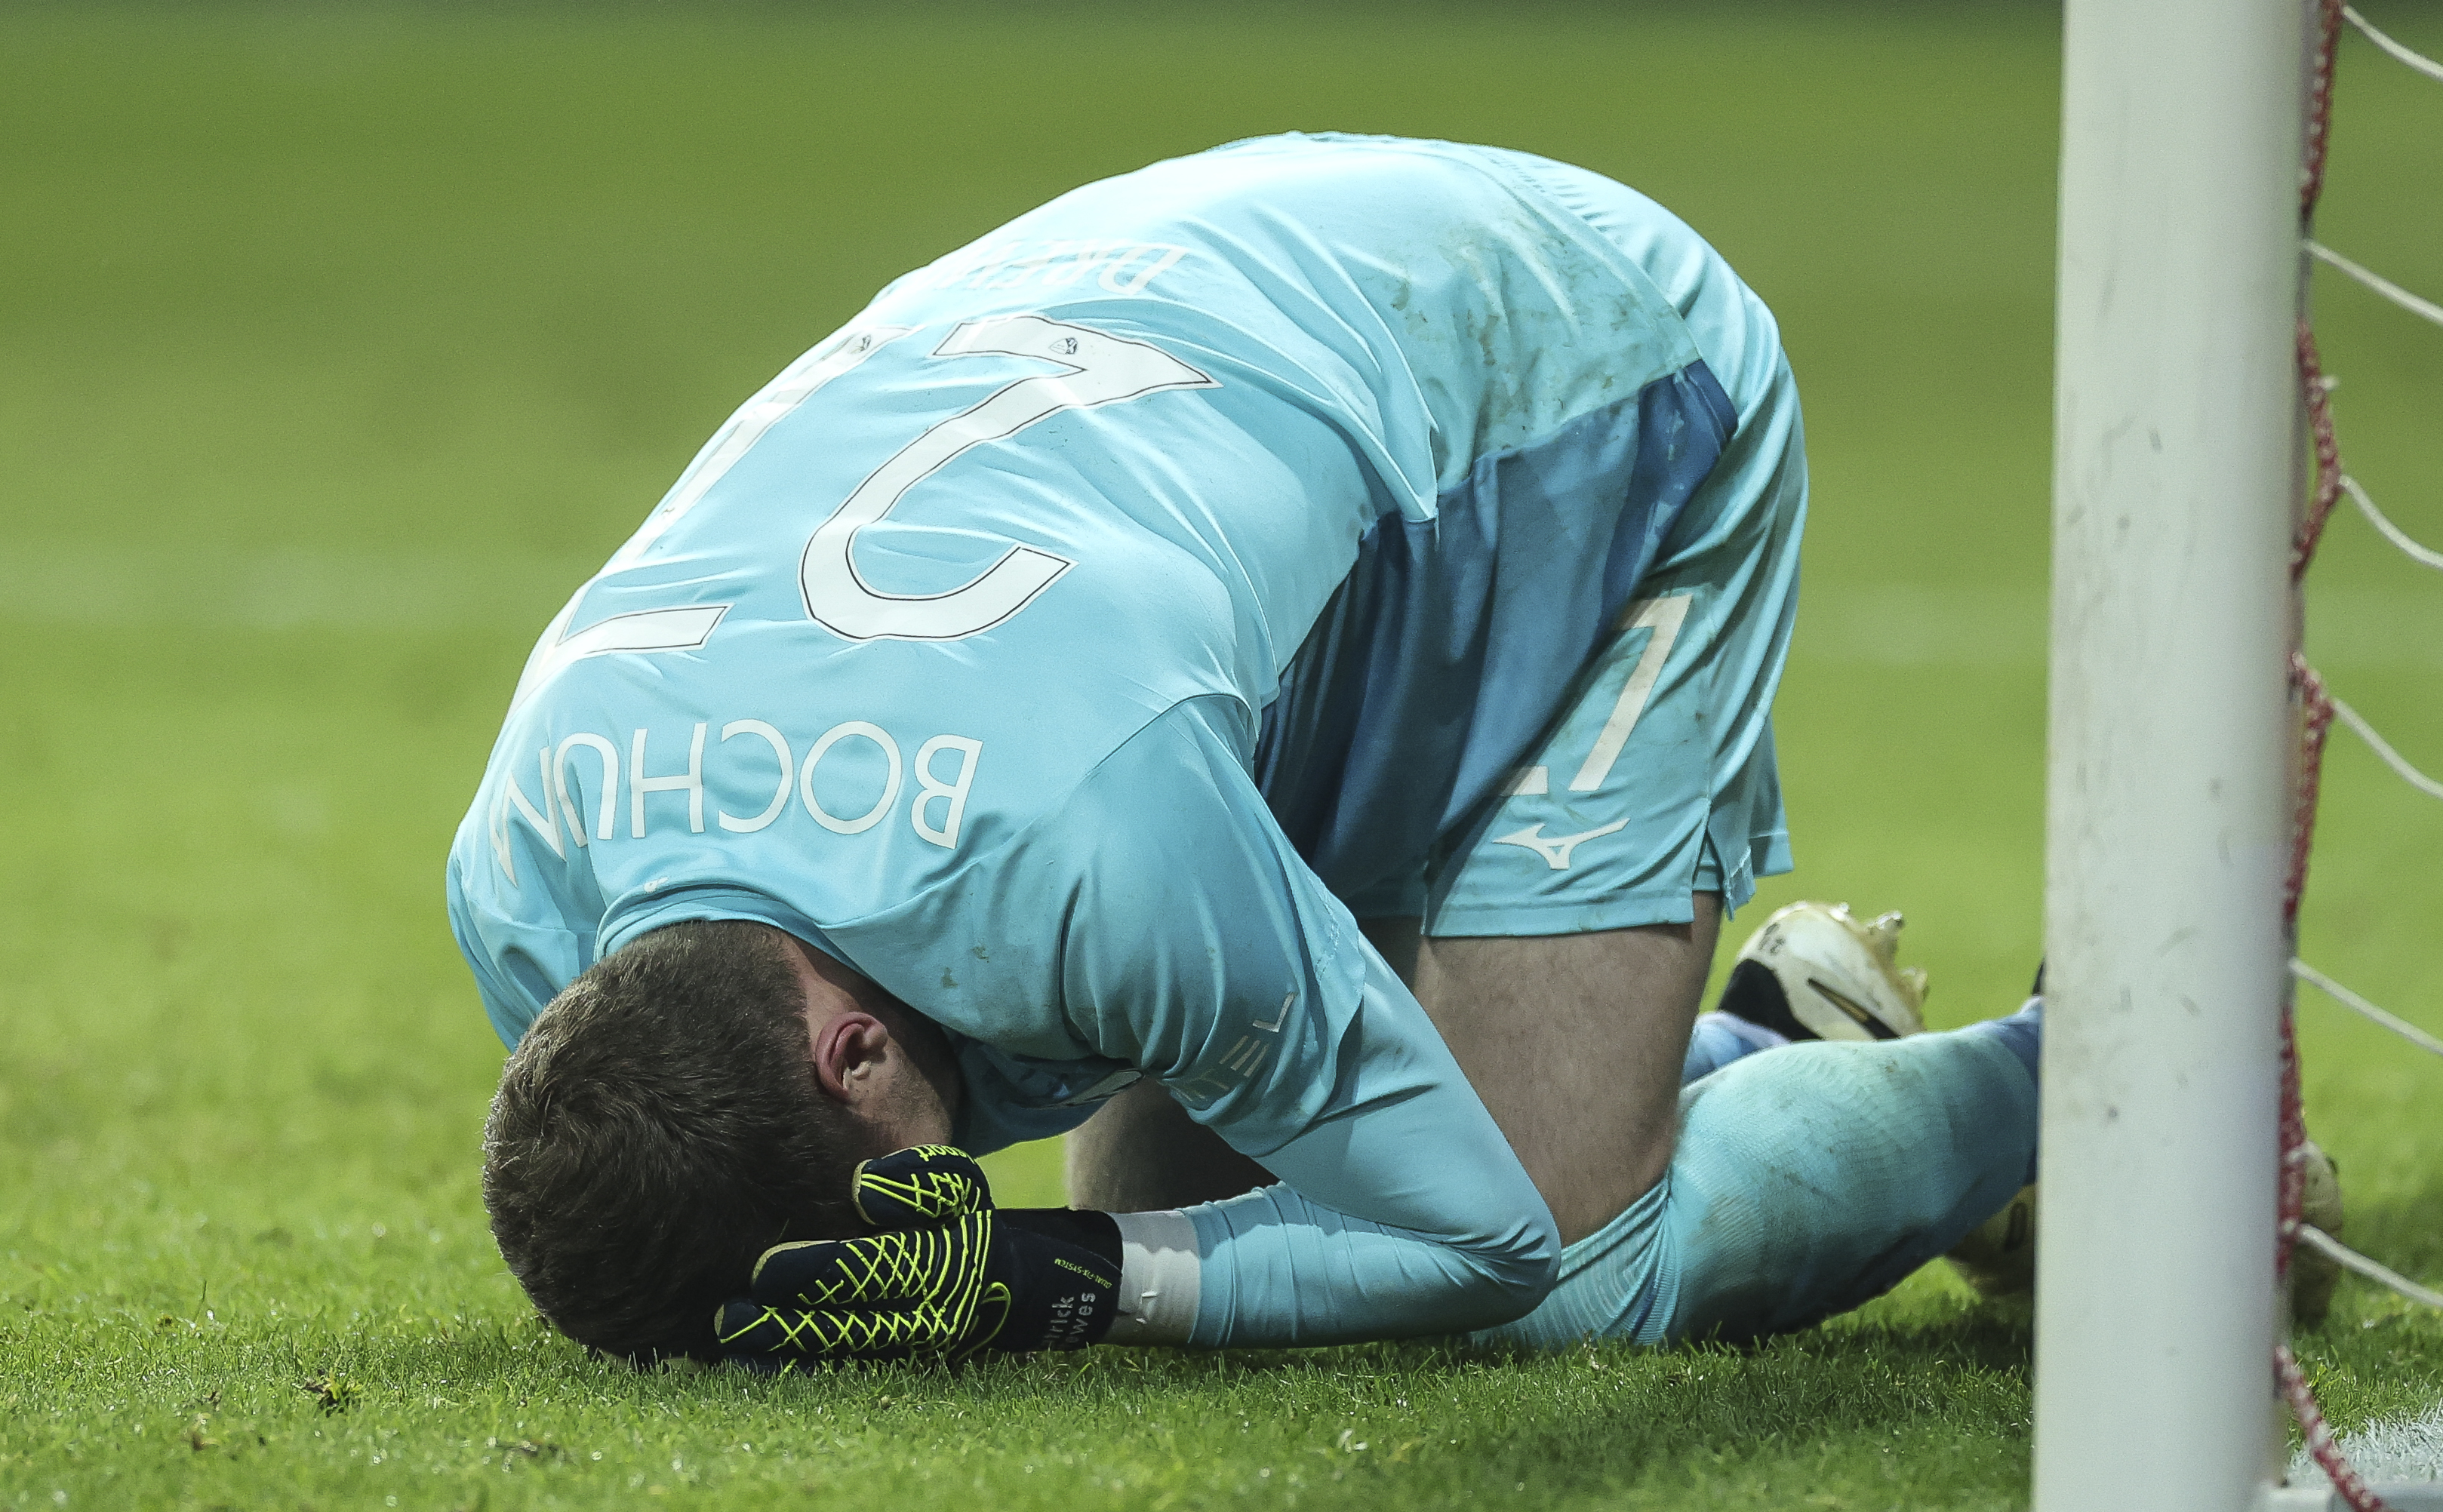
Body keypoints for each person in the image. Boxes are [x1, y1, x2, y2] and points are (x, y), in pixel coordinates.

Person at [447, 134, 2042, 1364]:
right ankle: (1778, 1046)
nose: (902, 1258)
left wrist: (1066, 1278)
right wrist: (1139, 1256)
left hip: (1566, 365)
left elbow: (1478, 1242)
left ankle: (2112, 1070)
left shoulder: (1084, 849)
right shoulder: (525, 886)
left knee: (1562, 1267)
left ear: (847, 1054)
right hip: (1179, 307)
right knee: (1219, 1234)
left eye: (894, 1212)